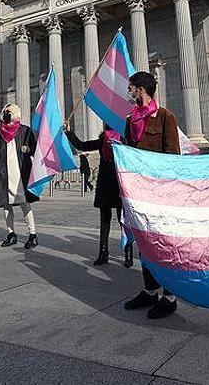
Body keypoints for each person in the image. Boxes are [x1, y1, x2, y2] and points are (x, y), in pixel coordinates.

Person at [120, 71, 184, 320]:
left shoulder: (166, 116)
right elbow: (129, 151)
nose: (129, 92)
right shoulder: (130, 119)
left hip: (160, 193)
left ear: (141, 89)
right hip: (137, 194)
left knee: (163, 244)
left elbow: (172, 157)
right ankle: (150, 290)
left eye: (131, 87)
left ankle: (170, 296)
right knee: (144, 244)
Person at [66, 123, 133, 267]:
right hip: (116, 183)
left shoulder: (117, 141)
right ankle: (124, 254)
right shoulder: (120, 140)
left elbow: (82, 145)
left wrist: (69, 132)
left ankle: (106, 253)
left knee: (110, 220)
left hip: (111, 183)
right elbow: (82, 146)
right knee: (121, 220)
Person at [0, 103, 39, 249]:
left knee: (25, 203)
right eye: (5, 111)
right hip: (4, 172)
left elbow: (35, 148)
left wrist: (28, 149)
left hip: (20, 172)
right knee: (6, 204)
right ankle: (11, 233)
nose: (6, 114)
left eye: (9, 112)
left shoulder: (25, 130)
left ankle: (32, 234)